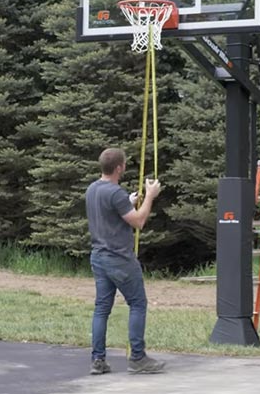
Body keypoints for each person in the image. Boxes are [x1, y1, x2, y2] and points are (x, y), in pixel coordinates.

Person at [85, 147, 165, 375]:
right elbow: (139, 222)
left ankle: (98, 360)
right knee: (138, 304)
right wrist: (150, 196)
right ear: (119, 167)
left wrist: (127, 201)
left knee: (102, 309)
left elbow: (109, 212)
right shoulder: (114, 193)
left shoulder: (93, 189)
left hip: (98, 257)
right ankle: (138, 358)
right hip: (119, 259)